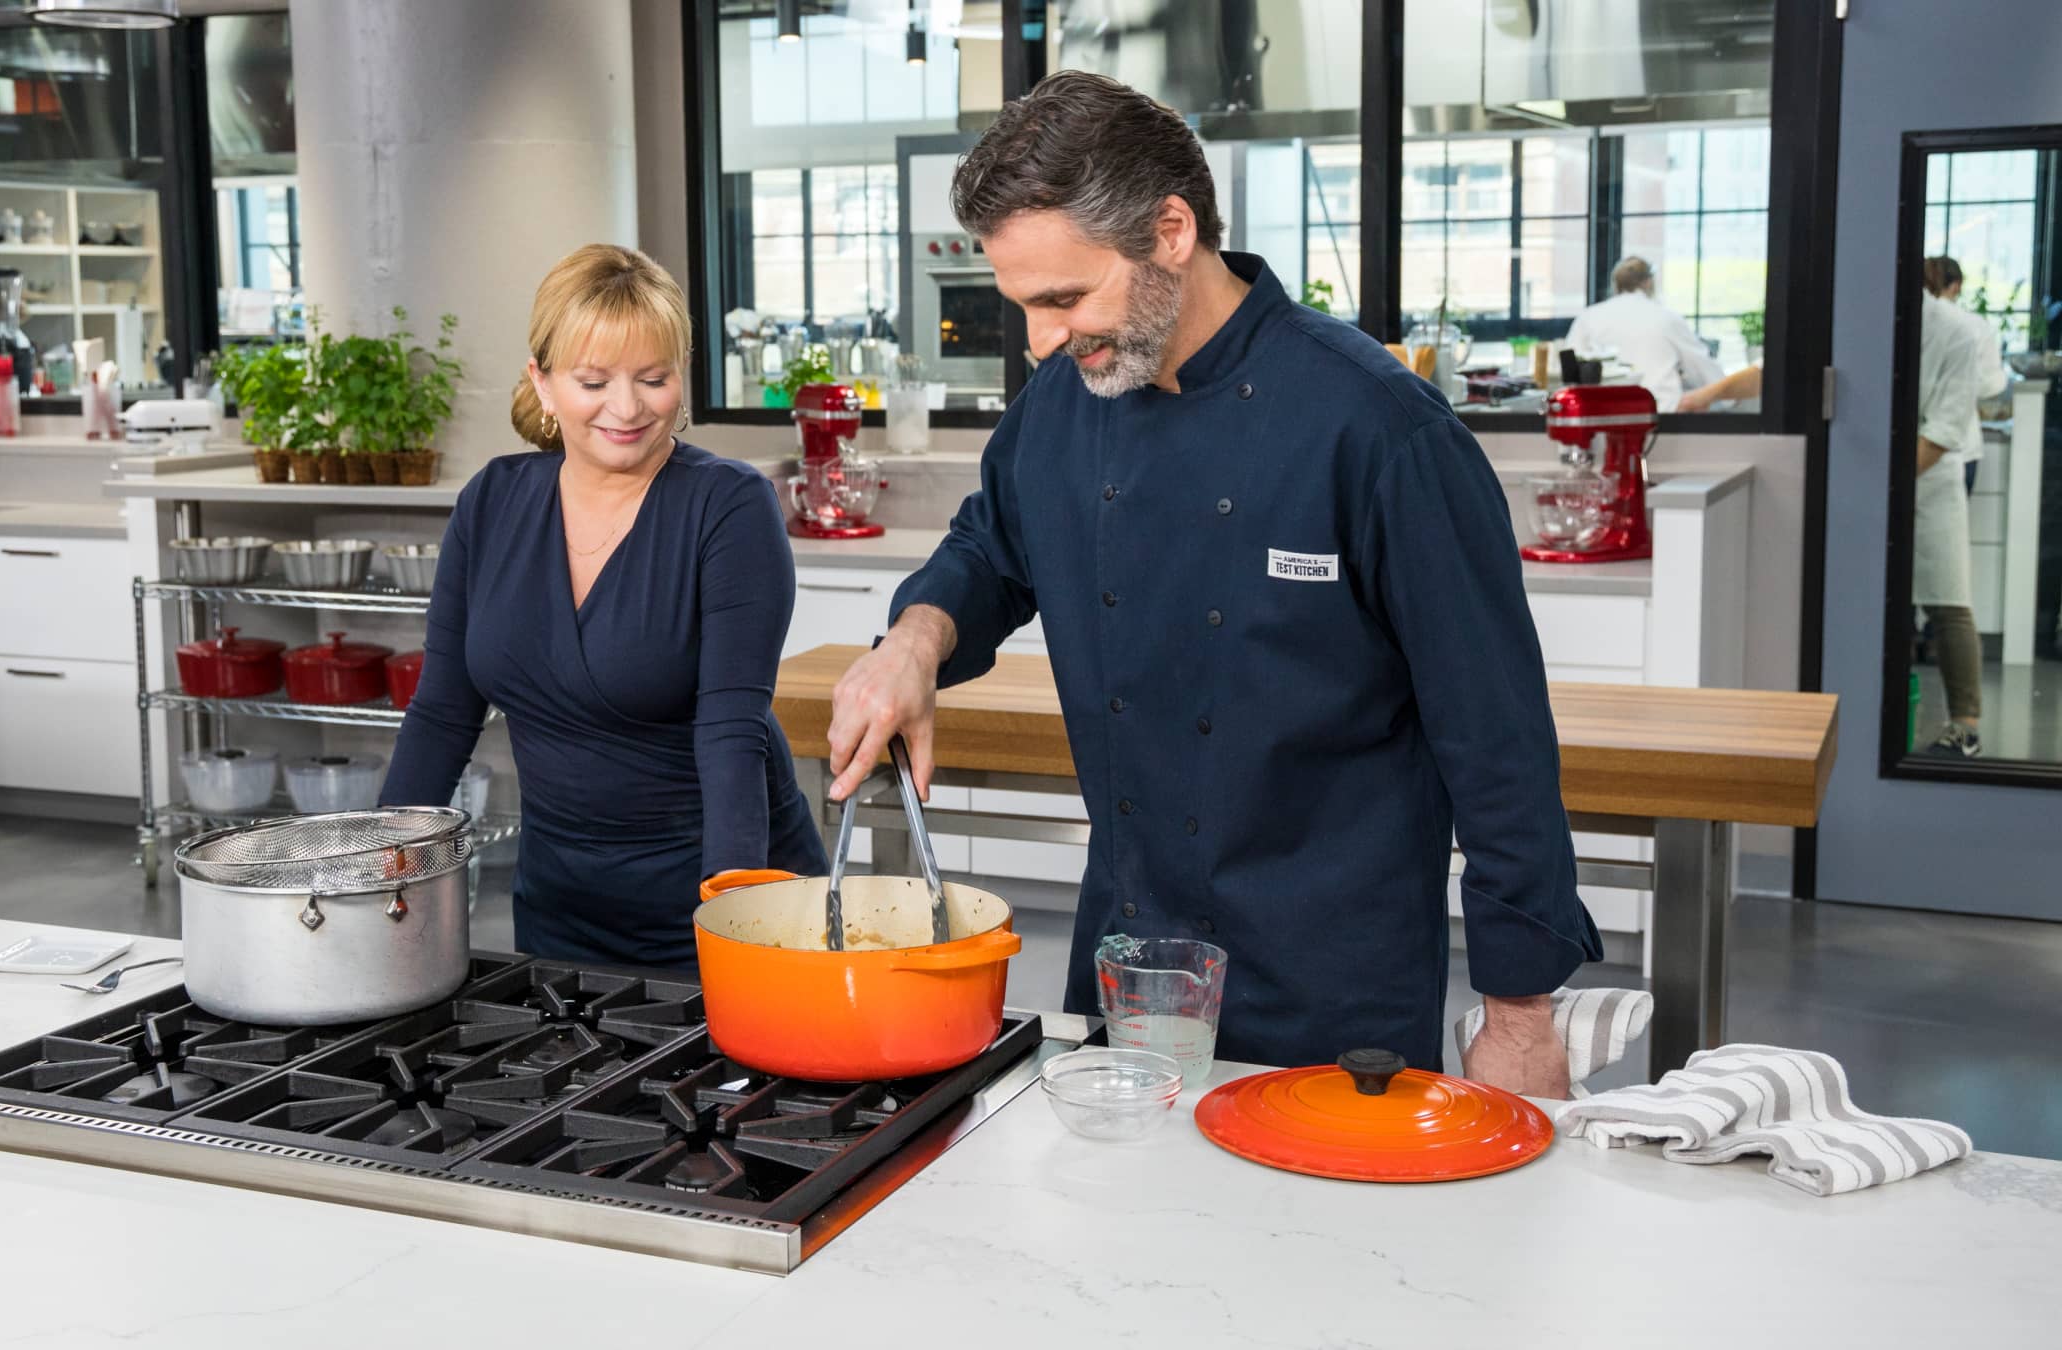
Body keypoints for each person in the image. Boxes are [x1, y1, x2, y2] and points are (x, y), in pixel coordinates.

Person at [826, 71, 1598, 1096]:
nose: (1043, 341)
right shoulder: (1063, 405)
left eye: (1063, 298)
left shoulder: (1377, 429)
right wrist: (914, 641)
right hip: (1126, 963)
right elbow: (990, 545)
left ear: (1173, 230)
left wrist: (1521, 1010)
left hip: (1336, 992)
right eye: (1024, 306)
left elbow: (1495, 734)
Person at [378, 244, 828, 967]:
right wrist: (383, 862)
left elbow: (731, 730)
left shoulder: (727, 506)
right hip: (559, 903)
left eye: (654, 379)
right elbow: (441, 713)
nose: (627, 408)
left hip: (720, 898)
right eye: (593, 381)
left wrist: (738, 911)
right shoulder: (492, 502)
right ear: (544, 382)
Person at [1916, 280, 1987, 758]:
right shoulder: (1860, 313)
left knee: (1948, 599)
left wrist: (1883, 487)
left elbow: (1942, 429)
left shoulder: (1957, 329)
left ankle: (1965, 726)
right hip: (1872, 477)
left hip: (1931, 477)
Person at [1562, 257, 1727, 413]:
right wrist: (1729, 397)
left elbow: (1569, 367)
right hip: (1660, 414)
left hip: (1601, 413)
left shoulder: (1589, 316)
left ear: (1616, 285)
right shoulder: (1667, 317)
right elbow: (1703, 368)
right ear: (1648, 282)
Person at [1923, 256, 2009, 495]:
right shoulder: (1972, 325)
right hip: (1960, 444)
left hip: (1917, 443)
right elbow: (1992, 386)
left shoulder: (1914, 321)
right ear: (1957, 285)